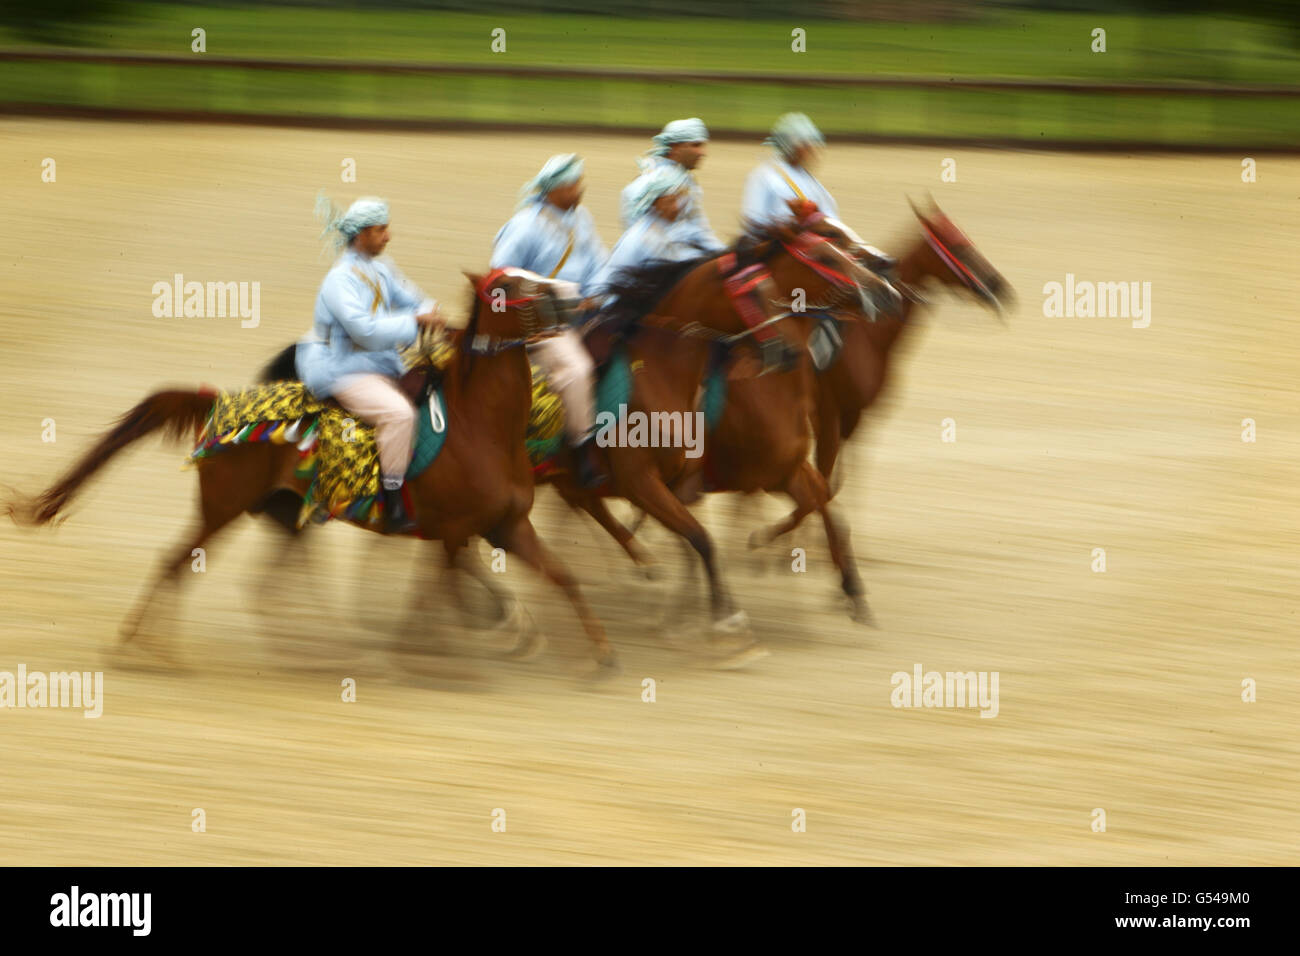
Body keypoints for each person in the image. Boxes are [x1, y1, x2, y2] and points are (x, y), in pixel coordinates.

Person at [295, 195, 443, 534]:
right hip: (343, 369)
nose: (388, 236)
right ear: (361, 235)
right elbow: (365, 328)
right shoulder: (339, 280)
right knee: (399, 413)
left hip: (378, 362)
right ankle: (391, 495)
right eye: (381, 230)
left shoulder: (382, 268)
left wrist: (433, 312)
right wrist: (415, 320)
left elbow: (413, 298)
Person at [489, 154, 609, 486]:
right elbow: (500, 279)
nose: (579, 190)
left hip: (587, 311)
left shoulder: (581, 218)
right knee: (577, 369)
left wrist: (597, 294)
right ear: (554, 190)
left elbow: (600, 261)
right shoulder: (524, 225)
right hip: (544, 324)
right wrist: (522, 325)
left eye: (579, 183)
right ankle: (582, 449)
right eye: (572, 185)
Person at [593, 163, 702, 303]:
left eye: (678, 200)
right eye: (669, 202)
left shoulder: (678, 229)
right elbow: (614, 279)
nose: (676, 207)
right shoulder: (640, 236)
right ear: (654, 205)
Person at [619, 117, 725, 253]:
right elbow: (629, 201)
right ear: (676, 147)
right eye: (695, 145)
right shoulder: (657, 177)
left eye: (703, 145)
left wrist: (724, 254)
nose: (703, 153)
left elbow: (699, 228)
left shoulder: (687, 180)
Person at [741, 112, 840, 227]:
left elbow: (833, 220)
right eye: (805, 145)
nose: (812, 150)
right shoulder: (764, 176)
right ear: (790, 145)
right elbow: (754, 220)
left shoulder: (810, 181)